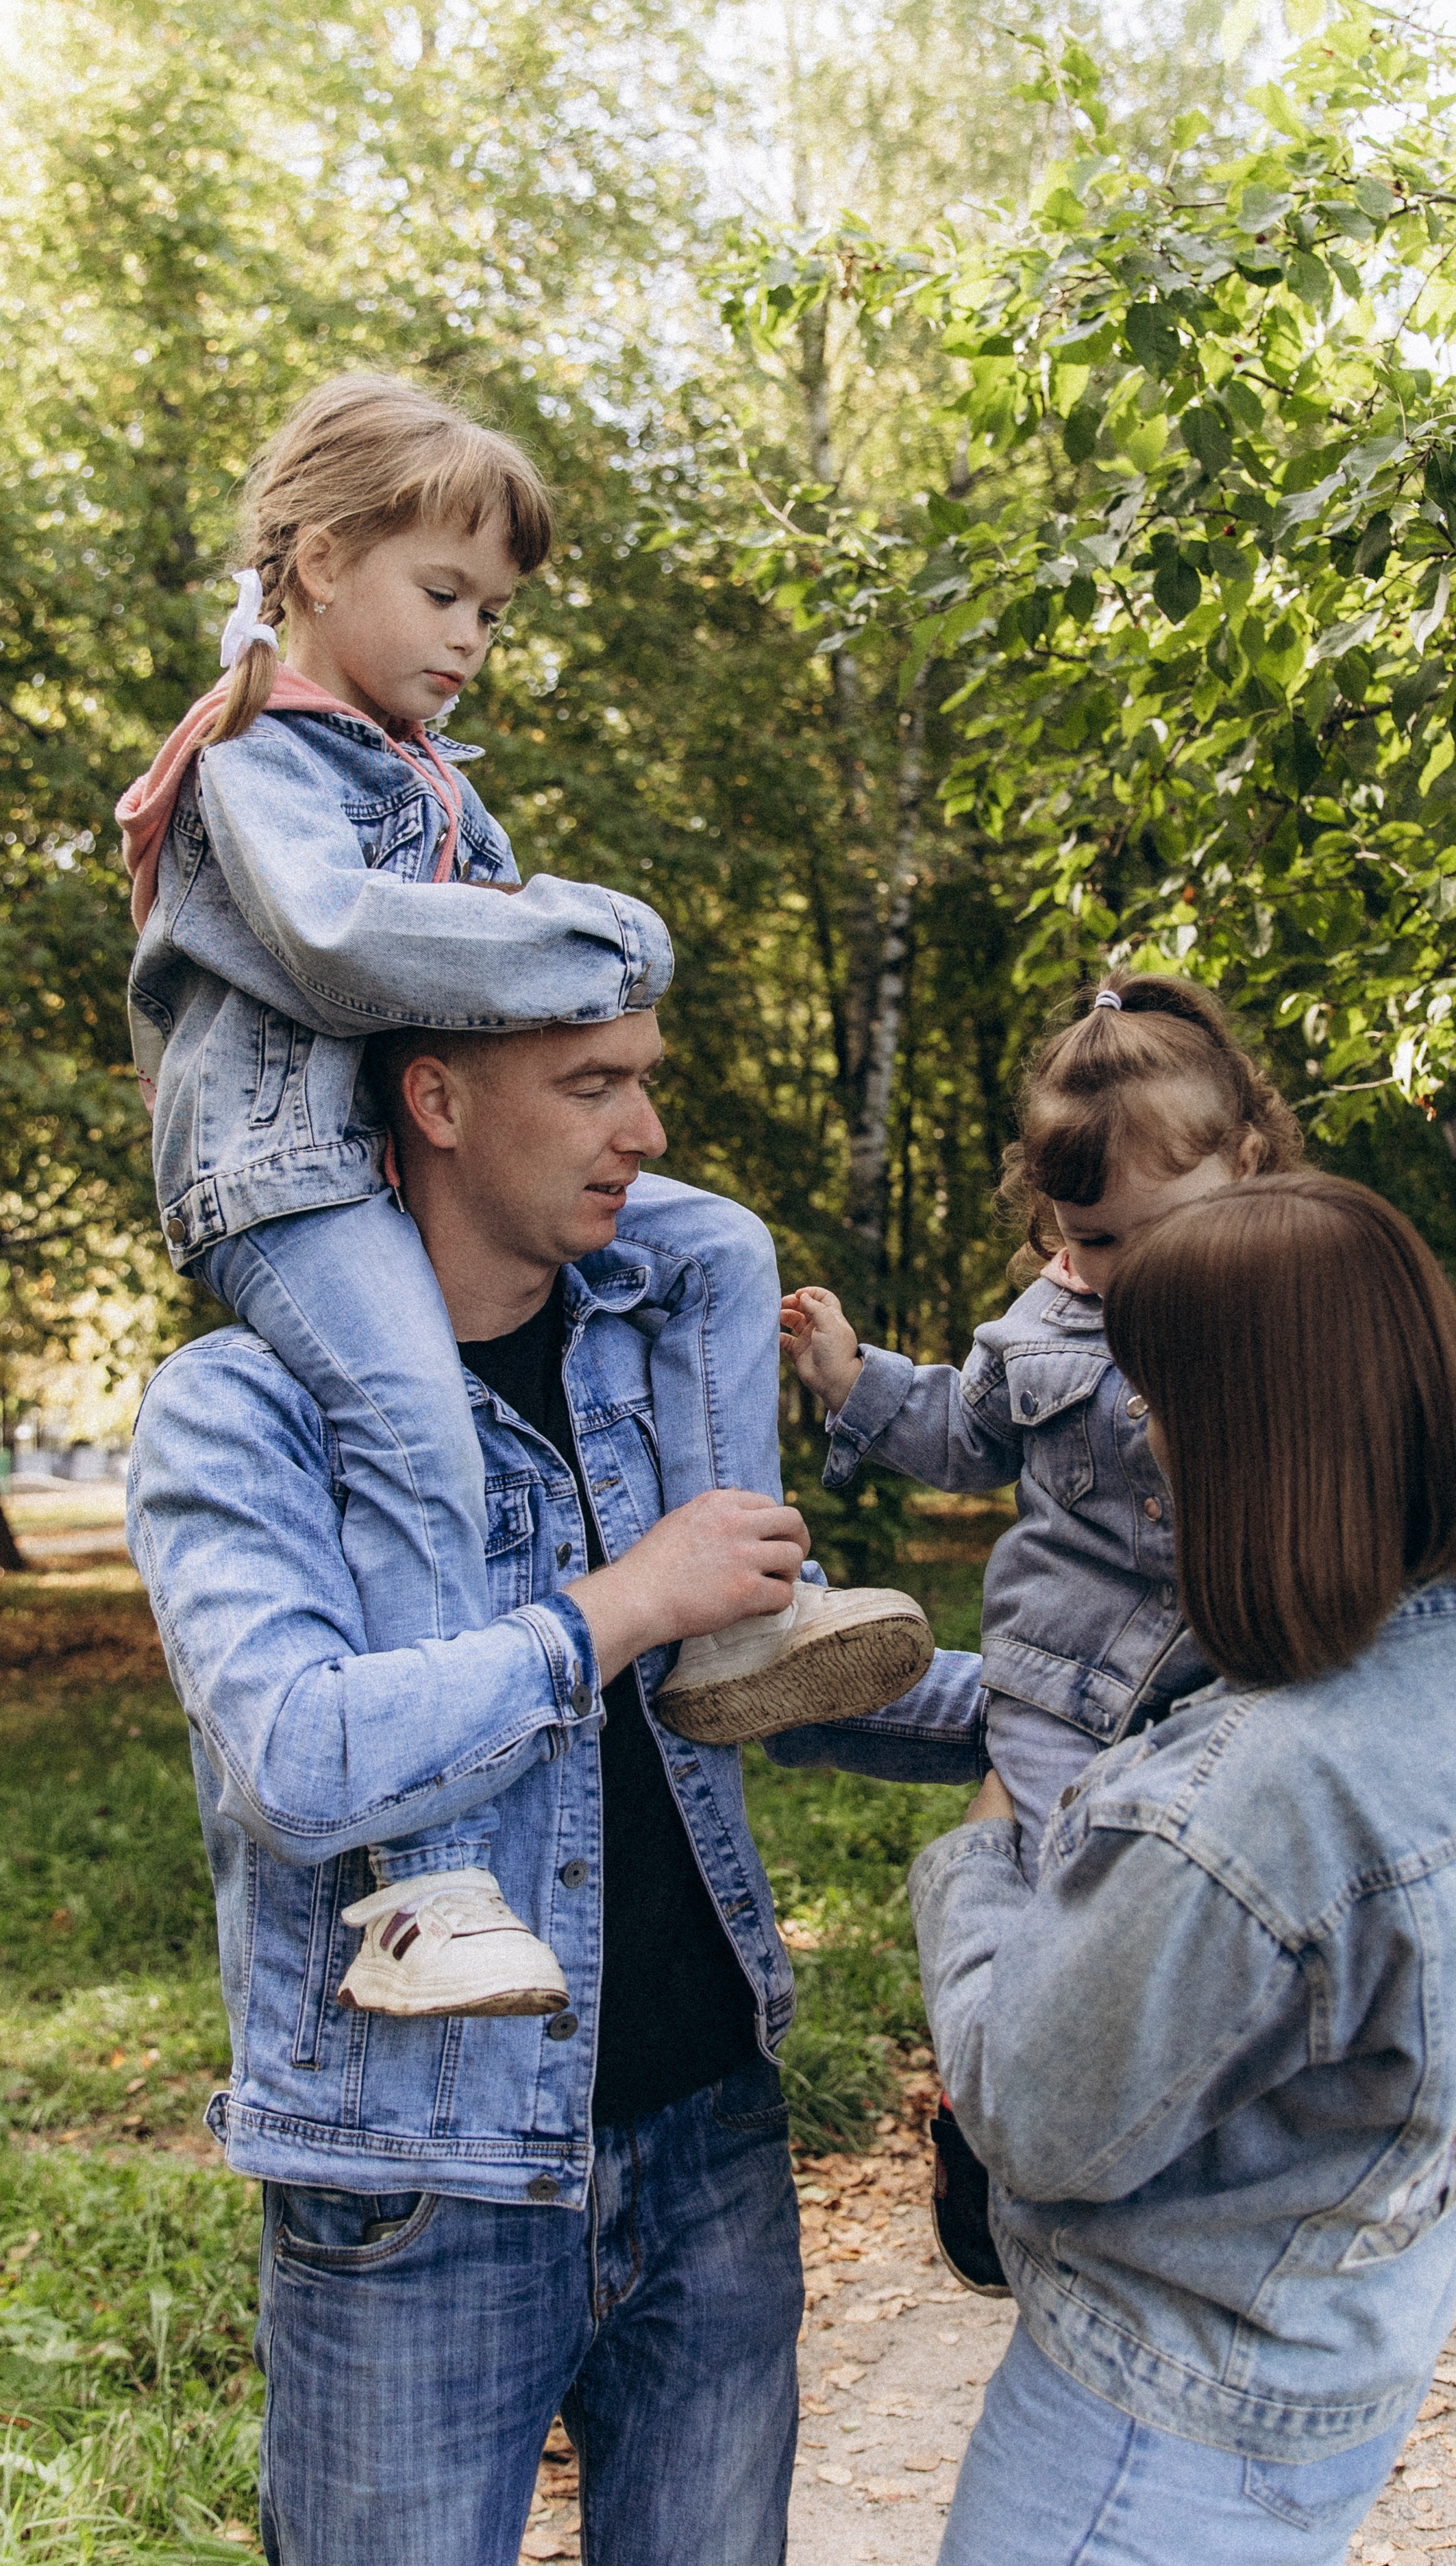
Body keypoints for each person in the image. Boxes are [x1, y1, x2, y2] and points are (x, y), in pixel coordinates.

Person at [127, 990, 984, 2566]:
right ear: (438, 1104)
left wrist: (1096, 1712)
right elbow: (298, 1760)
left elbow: (769, 1688)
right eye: (594, 1087)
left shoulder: (647, 1361)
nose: (644, 1133)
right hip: (419, 2184)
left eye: (645, 1083)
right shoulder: (243, 1410)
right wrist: (619, 1605)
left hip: (709, 2140)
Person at [116, 374, 929, 2016]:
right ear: (320, 561)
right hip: (284, 1174)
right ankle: (423, 1893)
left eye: (492, 611)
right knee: (415, 1422)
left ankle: (743, 1619)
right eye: (444, 593)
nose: (472, 637)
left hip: (380, 1144)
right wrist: (605, 936)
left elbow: (504, 975)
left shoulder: (423, 767)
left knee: (718, 1244)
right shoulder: (254, 757)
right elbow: (344, 945)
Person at [909, 1172, 1456, 2566]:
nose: (1144, 1441)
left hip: (1150, 2447)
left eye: (1160, 1401)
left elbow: (1029, 2109)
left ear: (1258, 1441)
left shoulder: (1263, 1800)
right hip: (1341, 2336)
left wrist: (981, 1846)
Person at [781, 973, 1300, 2286]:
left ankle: (804, 1665)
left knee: (1179, 1922)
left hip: (1222, 1690)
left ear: (1246, 1164)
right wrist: (853, 1380)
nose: (1127, 1271)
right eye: (1095, 1242)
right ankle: (989, 2119)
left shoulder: (1294, 1299)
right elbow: (964, 1433)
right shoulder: (1044, 1327)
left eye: (1157, 1232)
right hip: (1059, 1685)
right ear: (1055, 1223)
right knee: (1048, 1897)